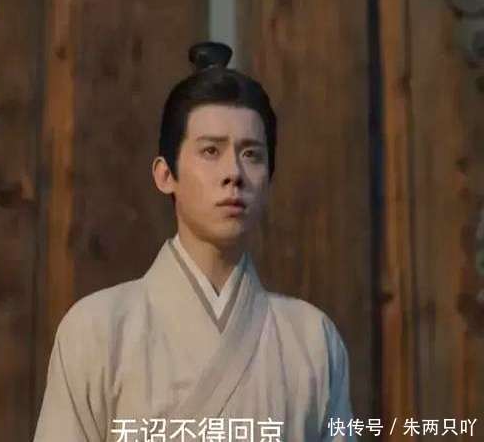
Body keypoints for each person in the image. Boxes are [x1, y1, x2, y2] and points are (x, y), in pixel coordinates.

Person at [34, 42, 355, 442]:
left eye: (252, 155)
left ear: (269, 181)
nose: (233, 173)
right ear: (165, 174)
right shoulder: (98, 329)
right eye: (210, 151)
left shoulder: (313, 339)